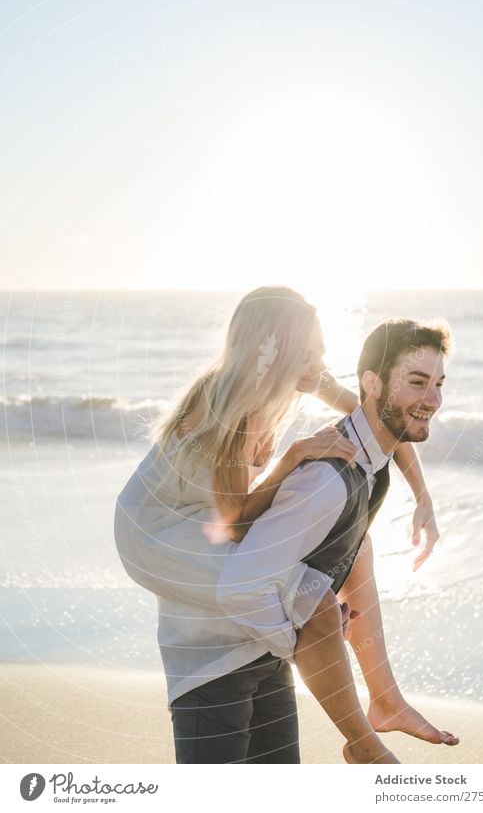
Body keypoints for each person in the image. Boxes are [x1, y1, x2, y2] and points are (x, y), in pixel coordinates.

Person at [114, 287, 455, 764]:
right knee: (311, 605)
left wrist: (423, 496)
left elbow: (376, 416)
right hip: (157, 535)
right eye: (310, 355)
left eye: (322, 352)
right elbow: (234, 522)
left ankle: (385, 697)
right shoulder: (235, 405)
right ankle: (363, 742)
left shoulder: (298, 378)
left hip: (204, 517)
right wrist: (291, 460)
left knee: (359, 547)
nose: (320, 366)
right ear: (273, 356)